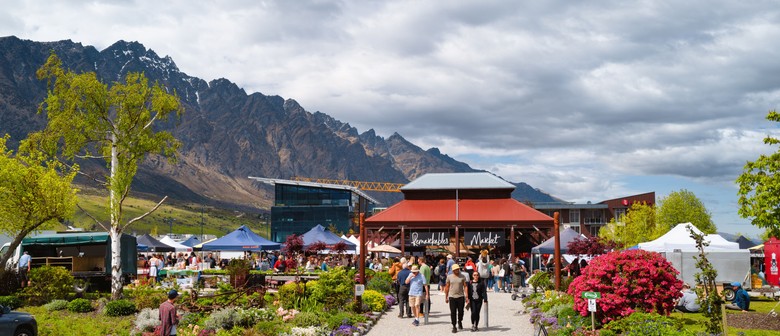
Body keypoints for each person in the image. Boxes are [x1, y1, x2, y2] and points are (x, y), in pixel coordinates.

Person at [445, 264, 469, 333]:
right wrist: (446, 296)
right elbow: (447, 287)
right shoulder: (449, 277)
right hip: (452, 297)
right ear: (453, 270)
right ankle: (454, 326)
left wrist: (466, 295)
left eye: (458, 269)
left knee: (461, 311)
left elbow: (465, 286)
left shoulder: (462, 276)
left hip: (461, 296)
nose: (457, 270)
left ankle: (460, 321)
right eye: (455, 269)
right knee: (453, 312)